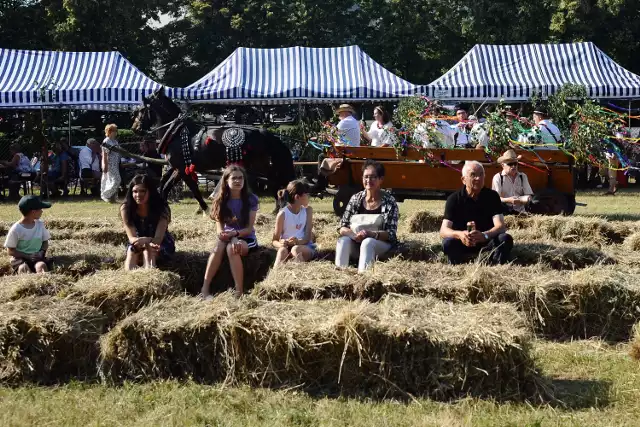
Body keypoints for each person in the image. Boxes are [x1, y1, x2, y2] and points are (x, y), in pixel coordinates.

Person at [201, 165, 259, 298]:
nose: (238, 181)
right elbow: (220, 231)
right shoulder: (220, 200)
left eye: (240, 178)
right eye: (234, 178)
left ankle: (239, 292)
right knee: (219, 246)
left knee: (232, 249)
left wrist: (235, 236)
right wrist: (231, 237)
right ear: (226, 181)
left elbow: (249, 229)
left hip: (246, 238)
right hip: (227, 238)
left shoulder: (251, 199)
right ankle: (205, 289)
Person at [440, 160, 513, 265]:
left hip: (486, 242)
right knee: (448, 243)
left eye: (481, 174)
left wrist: (485, 235)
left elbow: (500, 226)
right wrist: (459, 234)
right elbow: (443, 230)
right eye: (473, 175)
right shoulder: (454, 199)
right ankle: (457, 267)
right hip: (463, 242)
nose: (478, 178)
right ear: (463, 180)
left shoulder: (492, 197)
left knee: (505, 239)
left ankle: (495, 266)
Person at [336, 160, 398, 272]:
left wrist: (371, 234)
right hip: (356, 242)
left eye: (373, 177)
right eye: (366, 177)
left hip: (380, 245)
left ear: (381, 180)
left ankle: (363, 280)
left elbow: (391, 234)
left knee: (367, 242)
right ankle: (340, 278)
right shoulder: (356, 199)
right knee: (343, 240)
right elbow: (342, 226)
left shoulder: (389, 201)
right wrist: (353, 235)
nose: (369, 180)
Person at [120, 174, 175, 270]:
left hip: (160, 243)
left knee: (148, 250)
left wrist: (146, 241)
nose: (138, 195)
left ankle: (149, 276)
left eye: (142, 191)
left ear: (151, 192)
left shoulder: (162, 208)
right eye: (135, 191)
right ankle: (128, 279)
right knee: (132, 250)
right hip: (137, 241)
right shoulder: (126, 209)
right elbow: (131, 237)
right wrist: (140, 242)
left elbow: (158, 239)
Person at [272, 180, 316, 266]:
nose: (308, 197)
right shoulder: (282, 214)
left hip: (305, 247)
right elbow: (274, 240)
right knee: (282, 251)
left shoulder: (308, 211)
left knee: (296, 249)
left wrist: (296, 242)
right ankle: (274, 277)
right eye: (306, 194)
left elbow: (307, 238)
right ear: (297, 197)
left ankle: (301, 275)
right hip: (287, 247)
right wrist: (282, 243)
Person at [4, 195, 52, 274]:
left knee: (41, 266)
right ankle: (28, 284)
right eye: (40, 209)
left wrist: (41, 252)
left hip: (37, 257)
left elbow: (45, 242)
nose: (42, 211)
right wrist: (27, 256)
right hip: (20, 258)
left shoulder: (40, 224)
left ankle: (43, 285)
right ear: (33, 212)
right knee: (23, 268)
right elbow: (10, 251)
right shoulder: (16, 229)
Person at [491, 149, 534, 214]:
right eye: (510, 164)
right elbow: (495, 199)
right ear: (502, 165)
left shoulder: (523, 176)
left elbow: (529, 195)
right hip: (504, 212)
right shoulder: (498, 177)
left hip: (521, 213)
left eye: (515, 163)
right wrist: (509, 200)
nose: (513, 166)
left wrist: (522, 199)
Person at [101, 124, 122, 203]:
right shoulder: (106, 141)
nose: (115, 132)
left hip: (115, 163)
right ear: (109, 132)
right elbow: (104, 154)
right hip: (110, 164)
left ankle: (112, 198)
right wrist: (105, 165)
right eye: (114, 131)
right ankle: (106, 194)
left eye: (116, 131)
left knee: (112, 180)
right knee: (117, 180)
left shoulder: (115, 141)